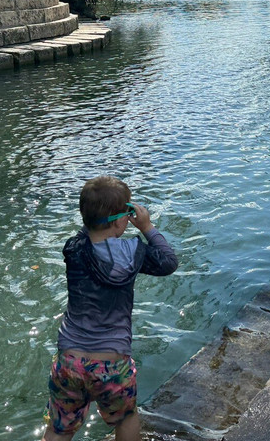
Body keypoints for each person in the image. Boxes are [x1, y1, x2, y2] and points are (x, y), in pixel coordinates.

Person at [43, 175, 178, 441]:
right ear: (119, 220)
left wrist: (98, 216)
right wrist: (147, 226)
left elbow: (89, 234)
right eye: (127, 214)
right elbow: (168, 262)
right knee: (126, 419)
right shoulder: (133, 251)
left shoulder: (74, 249)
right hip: (112, 364)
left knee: (58, 429)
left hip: (70, 361)